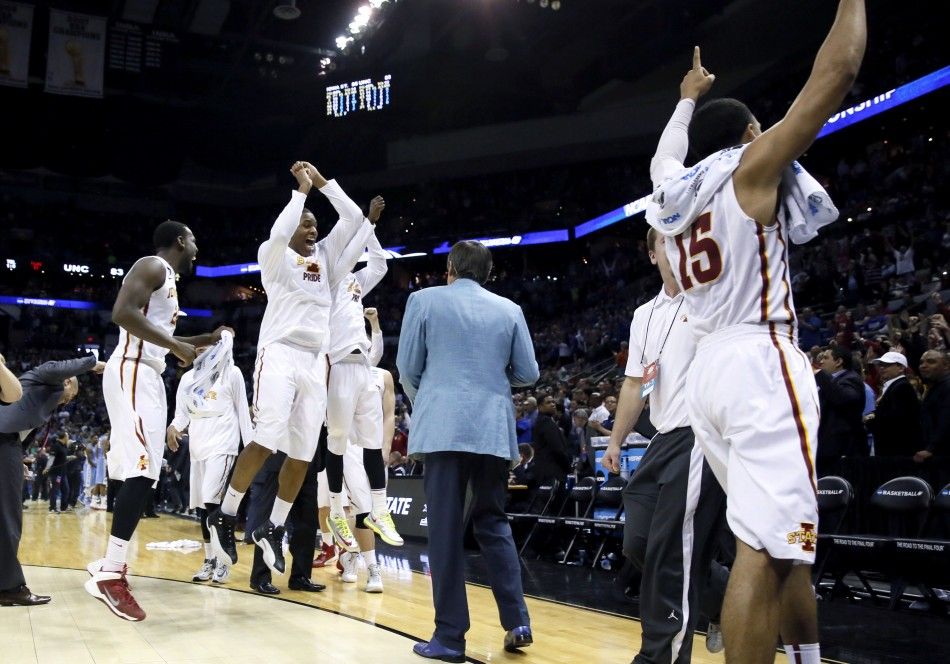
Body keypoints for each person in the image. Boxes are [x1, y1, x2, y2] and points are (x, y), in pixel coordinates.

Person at [645, 3, 867, 660]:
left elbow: (664, 155)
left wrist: (684, 102)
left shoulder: (674, 199)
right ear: (748, 131)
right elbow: (838, 71)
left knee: (785, 541)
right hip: (759, 358)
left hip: (707, 371)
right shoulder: (749, 168)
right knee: (763, 551)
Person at [206, 161, 373, 577]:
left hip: (315, 361)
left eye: (316, 225)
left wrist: (322, 184)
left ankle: (273, 528)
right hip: (279, 353)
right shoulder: (274, 257)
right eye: (306, 225)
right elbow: (280, 232)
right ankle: (225, 514)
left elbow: (353, 216)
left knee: (302, 455)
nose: (313, 230)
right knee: (266, 440)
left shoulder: (329, 261)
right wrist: (299, 194)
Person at [397, 240, 539, 661]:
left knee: (444, 532)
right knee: (493, 523)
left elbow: (408, 368)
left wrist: (433, 396)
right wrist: (490, 382)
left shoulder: (422, 301)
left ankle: (450, 638)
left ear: (450, 269)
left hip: (443, 428)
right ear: (489, 274)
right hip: (492, 431)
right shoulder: (510, 310)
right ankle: (517, 621)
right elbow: (528, 373)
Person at [86, 217, 228, 622]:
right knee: (142, 473)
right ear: (182, 241)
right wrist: (177, 344)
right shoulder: (151, 265)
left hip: (147, 373)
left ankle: (108, 566)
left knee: (144, 474)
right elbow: (121, 313)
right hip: (132, 368)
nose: (198, 248)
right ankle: (110, 573)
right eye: (195, 240)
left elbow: (163, 338)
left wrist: (207, 339)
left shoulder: (169, 283)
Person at [603, 211, 726, 664]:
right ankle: (723, 600)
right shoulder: (643, 315)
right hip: (661, 439)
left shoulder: (709, 299)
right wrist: (616, 441)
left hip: (699, 436)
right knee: (638, 543)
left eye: (682, 241)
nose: (674, 250)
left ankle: (660, 656)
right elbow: (635, 383)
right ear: (653, 253)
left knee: (671, 554)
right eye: (665, 243)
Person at [324, 213, 403, 551]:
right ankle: (336, 509)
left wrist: (371, 232)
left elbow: (381, 265)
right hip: (336, 364)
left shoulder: (355, 283)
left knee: (371, 444)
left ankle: (380, 510)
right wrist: (365, 223)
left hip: (362, 367)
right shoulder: (326, 277)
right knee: (337, 441)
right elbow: (346, 254)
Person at [0, 354, 104, 607]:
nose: (66, 403)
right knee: (8, 519)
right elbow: (59, 366)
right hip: (3, 443)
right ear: (67, 383)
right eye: (68, 398)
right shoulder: (47, 376)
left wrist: (19, 461)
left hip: (8, 447)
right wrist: (96, 363)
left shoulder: (40, 397)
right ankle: (9, 587)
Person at [167, 334, 254, 584]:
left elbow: (242, 410)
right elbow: (181, 415)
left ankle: (223, 559)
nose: (202, 350)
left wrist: (251, 449)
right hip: (198, 447)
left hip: (223, 445)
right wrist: (173, 428)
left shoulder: (232, 373)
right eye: (199, 348)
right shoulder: (188, 379)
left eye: (208, 347)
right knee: (204, 507)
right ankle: (209, 559)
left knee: (211, 500)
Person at [814, 347, 867, 476]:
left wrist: (820, 375)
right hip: (827, 447)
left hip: (842, 449)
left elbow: (843, 398)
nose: (821, 362)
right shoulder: (831, 381)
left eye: (826, 358)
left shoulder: (851, 379)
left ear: (838, 362)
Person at [864, 352, 920, 457]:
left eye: (887, 365)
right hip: (890, 448)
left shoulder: (902, 387)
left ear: (901, 368)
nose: (882, 368)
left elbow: (895, 420)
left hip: (896, 449)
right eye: (881, 365)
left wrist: (869, 421)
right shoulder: (894, 386)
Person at [914, 350, 950, 463]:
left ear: (946, 366)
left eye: (931, 362)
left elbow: (946, 419)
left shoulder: (947, 387)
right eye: (921, 362)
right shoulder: (936, 386)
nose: (923, 366)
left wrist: (931, 448)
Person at [531, 396, 571, 488]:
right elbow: (558, 449)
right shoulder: (546, 421)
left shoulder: (541, 420)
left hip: (544, 471)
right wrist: (569, 468)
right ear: (540, 407)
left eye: (553, 402)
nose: (553, 404)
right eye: (548, 402)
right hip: (552, 472)